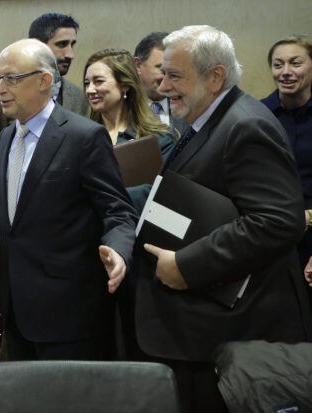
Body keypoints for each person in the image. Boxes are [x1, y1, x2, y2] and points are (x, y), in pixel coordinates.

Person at [0, 39, 137, 362]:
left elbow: (117, 210)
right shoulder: (7, 137)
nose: (0, 89)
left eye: (11, 78)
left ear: (44, 81)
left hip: (69, 312)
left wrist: (119, 250)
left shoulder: (83, 136)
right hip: (16, 308)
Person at [137, 26, 312, 413]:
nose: (163, 86)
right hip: (205, 329)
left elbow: (279, 221)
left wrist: (187, 264)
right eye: (163, 73)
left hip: (234, 334)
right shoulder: (207, 118)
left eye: (174, 75)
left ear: (214, 76)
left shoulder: (246, 124)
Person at [83, 48, 176, 211]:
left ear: (125, 85)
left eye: (98, 81)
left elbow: (168, 198)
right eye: (86, 83)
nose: (90, 90)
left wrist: (100, 198)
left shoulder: (160, 138)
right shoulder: (79, 139)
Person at [0, 12, 90, 141]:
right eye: (62, 44)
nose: (70, 54)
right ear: (37, 45)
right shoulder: (1, 98)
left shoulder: (79, 97)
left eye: (72, 45)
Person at [260, 36, 312, 295]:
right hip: (270, 237)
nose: (286, 72)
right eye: (278, 64)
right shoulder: (258, 116)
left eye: (296, 63)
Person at [133, 32, 187, 133]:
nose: (168, 79)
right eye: (162, 69)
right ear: (138, 65)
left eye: (173, 71)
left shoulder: (189, 106)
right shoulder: (123, 110)